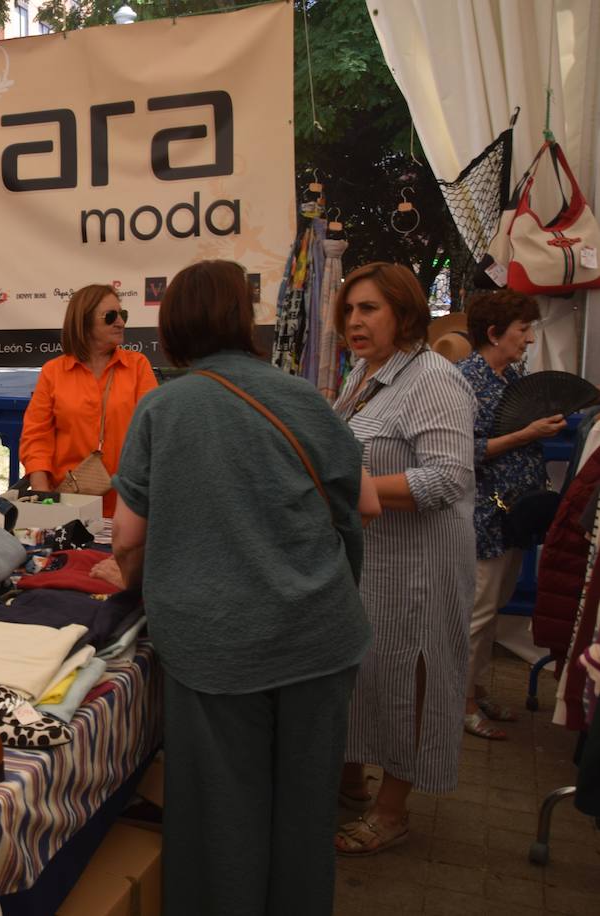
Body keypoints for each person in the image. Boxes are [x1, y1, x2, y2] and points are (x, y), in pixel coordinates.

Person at [110, 259, 377, 915]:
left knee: (222, 821)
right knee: (306, 814)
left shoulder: (162, 408)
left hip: (216, 643)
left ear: (172, 326)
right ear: (243, 318)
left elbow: (125, 538)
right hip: (319, 635)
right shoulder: (302, 395)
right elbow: (365, 502)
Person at [331, 262, 476, 856]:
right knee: (369, 676)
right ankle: (353, 782)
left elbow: (448, 477)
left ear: (405, 313)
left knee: (410, 679)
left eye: (369, 309)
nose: (354, 322)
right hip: (375, 560)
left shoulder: (433, 379)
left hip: (420, 567)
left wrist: (352, 487)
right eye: (349, 310)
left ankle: (393, 811)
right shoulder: (366, 375)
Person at [456, 290, 565, 740]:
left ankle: (476, 690)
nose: (529, 339)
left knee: (493, 610)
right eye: (522, 330)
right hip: (485, 517)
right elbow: (463, 450)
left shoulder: (511, 377)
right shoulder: (464, 381)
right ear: (495, 333)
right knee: (476, 615)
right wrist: (526, 434)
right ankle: (459, 703)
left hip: (515, 516)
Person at [19, 284, 158, 516]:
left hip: (128, 504)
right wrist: (44, 500)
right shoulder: (53, 372)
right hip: (68, 504)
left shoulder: (138, 366)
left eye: (122, 315)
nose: (121, 323)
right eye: (110, 316)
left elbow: (154, 432)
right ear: (83, 321)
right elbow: (36, 437)